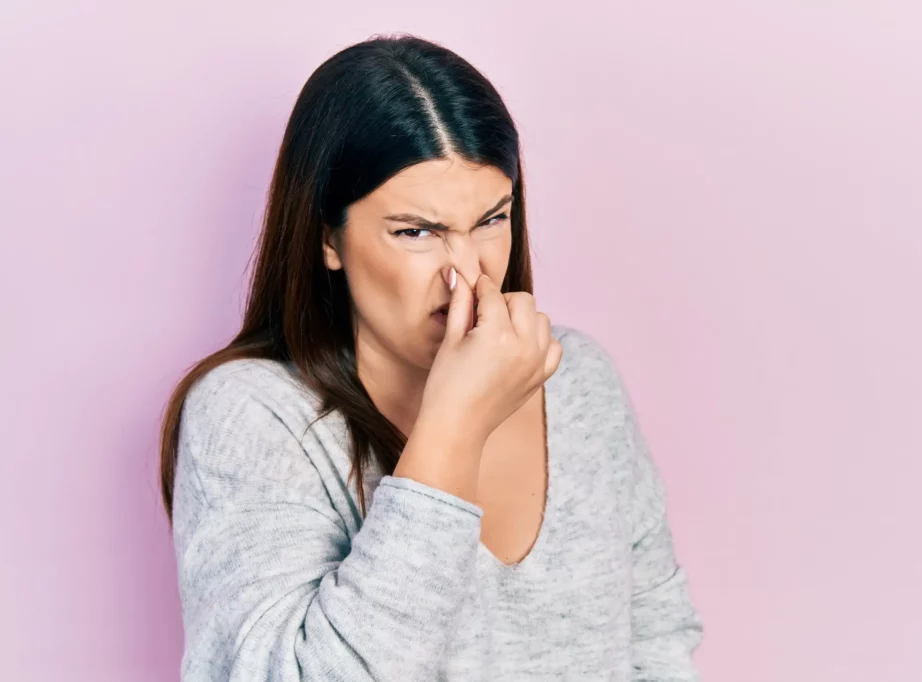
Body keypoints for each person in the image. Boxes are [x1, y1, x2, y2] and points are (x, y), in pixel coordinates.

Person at [161, 34, 703, 681]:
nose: (467, 273)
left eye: (492, 219)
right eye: (416, 232)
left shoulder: (578, 377)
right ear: (327, 237)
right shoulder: (254, 415)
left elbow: (659, 635)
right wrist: (455, 426)